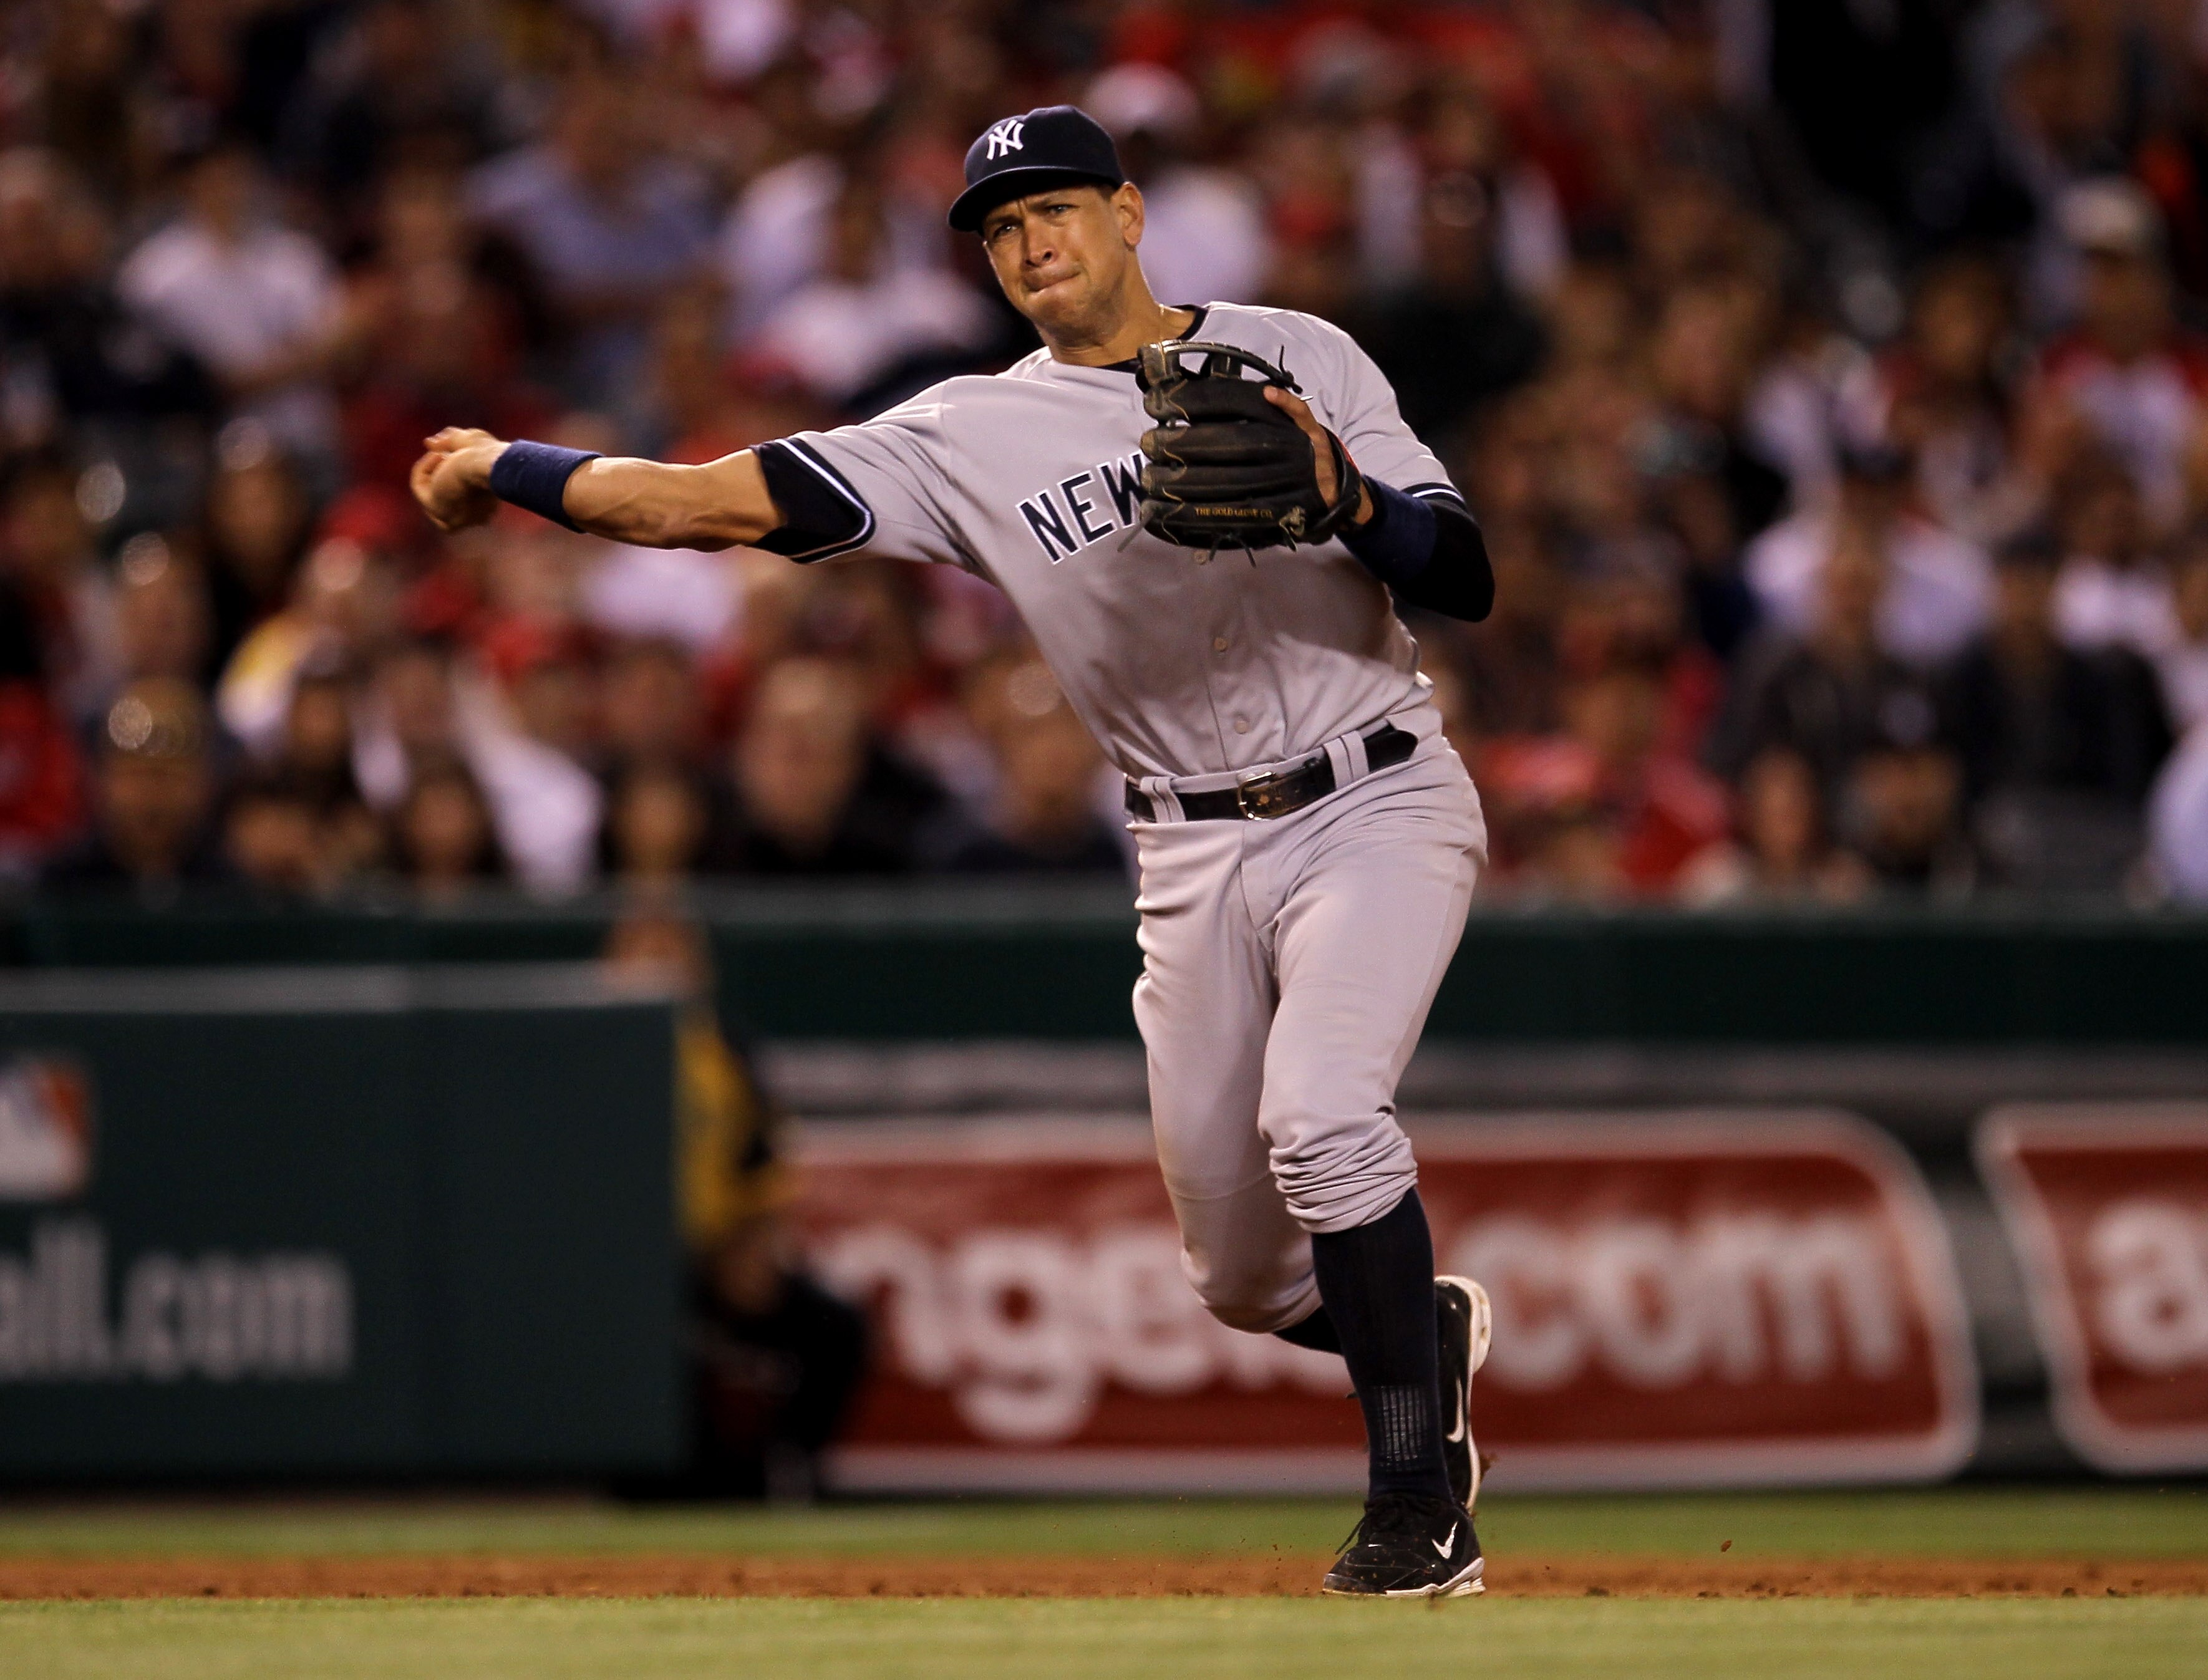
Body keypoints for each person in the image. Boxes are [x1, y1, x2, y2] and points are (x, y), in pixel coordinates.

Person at [413, 106, 1497, 1598]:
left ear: (1126, 211)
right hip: (1184, 851)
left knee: (1322, 1118)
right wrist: (506, 465)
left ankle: (1414, 1502)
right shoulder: (970, 435)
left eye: (1052, 209)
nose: (1029, 243)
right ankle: (1413, 1336)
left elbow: (1467, 570)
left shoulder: (1303, 349)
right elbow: (701, 503)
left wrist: (1349, 497)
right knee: (1242, 1279)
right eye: (998, 229)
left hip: (1376, 794)